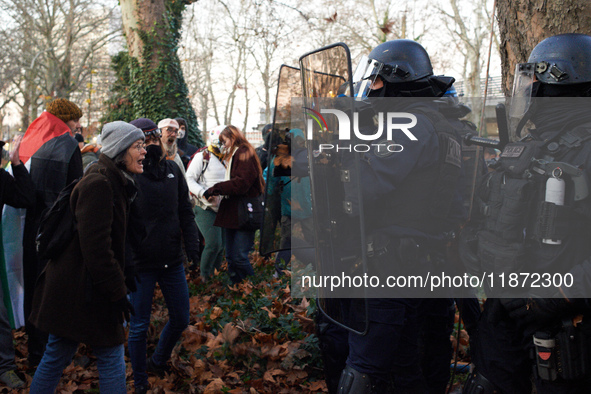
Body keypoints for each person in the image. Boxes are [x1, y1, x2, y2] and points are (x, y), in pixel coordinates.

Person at [314, 39, 464, 393]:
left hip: (390, 268)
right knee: (406, 368)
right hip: (418, 262)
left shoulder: (408, 125)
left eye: (377, 79)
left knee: (363, 374)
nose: (371, 87)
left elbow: (361, 188)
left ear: (398, 79)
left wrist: (347, 142)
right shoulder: (435, 120)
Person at [464, 33, 591, 393]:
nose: (529, 88)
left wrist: (551, 297)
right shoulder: (531, 145)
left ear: (560, 80)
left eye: (536, 78)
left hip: (564, 325)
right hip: (506, 313)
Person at [29, 121, 145, 393]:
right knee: (109, 354)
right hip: (82, 290)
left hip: (83, 288)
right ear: (120, 150)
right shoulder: (99, 183)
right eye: (138, 146)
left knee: (59, 353)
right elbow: (97, 249)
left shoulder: (114, 180)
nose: (145, 152)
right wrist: (118, 292)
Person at [126, 117, 199, 394]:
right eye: (145, 140)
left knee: (181, 317)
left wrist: (192, 247)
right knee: (138, 326)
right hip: (141, 265)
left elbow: (185, 211)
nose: (151, 144)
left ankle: (158, 360)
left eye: (154, 138)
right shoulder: (131, 175)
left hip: (172, 260)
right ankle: (141, 381)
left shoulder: (172, 169)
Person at [20, 97, 84, 369]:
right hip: (58, 230)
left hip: (29, 227)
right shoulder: (69, 144)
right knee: (54, 290)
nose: (78, 124)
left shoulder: (30, 138)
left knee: (33, 289)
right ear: (66, 119)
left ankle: (35, 351)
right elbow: (76, 190)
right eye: (75, 119)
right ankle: (52, 356)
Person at [202, 125, 265, 283]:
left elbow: (241, 183)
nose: (224, 145)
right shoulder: (237, 153)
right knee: (231, 257)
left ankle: (253, 291)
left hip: (243, 213)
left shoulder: (243, 152)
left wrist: (216, 189)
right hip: (235, 213)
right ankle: (237, 290)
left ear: (233, 137)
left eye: (225, 141)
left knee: (239, 257)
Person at [0, 136, 34, 389]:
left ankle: (5, 367)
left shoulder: (0, 178)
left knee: (0, 315)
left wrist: (17, 163)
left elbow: (25, 197)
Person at [186, 125, 226, 280]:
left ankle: (215, 276)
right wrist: (204, 193)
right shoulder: (203, 156)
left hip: (223, 208)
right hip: (204, 207)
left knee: (220, 245)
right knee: (213, 243)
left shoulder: (228, 157)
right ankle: (204, 277)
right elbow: (189, 179)